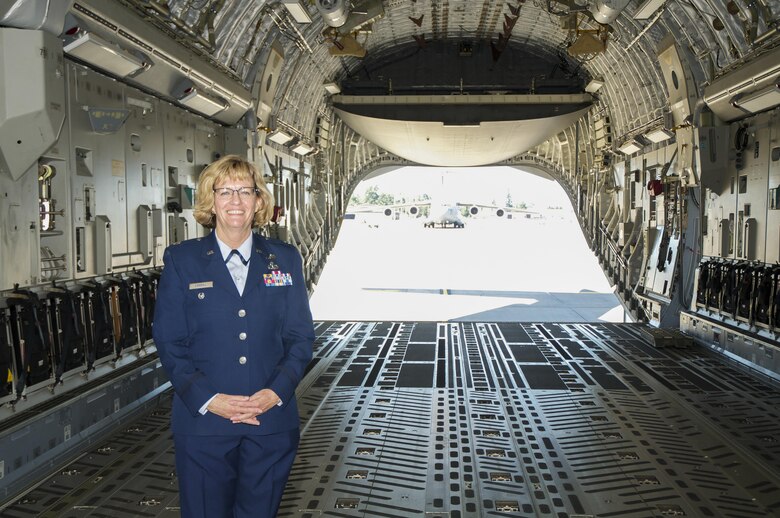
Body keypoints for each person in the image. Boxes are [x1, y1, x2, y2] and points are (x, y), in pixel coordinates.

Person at [152, 154, 314, 518]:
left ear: (258, 200)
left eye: (245, 191)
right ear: (211, 201)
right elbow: (169, 340)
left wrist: (275, 393)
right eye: (225, 191)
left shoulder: (285, 259)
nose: (235, 201)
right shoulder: (182, 260)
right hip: (205, 424)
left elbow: (300, 336)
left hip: (270, 421)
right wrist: (209, 399)